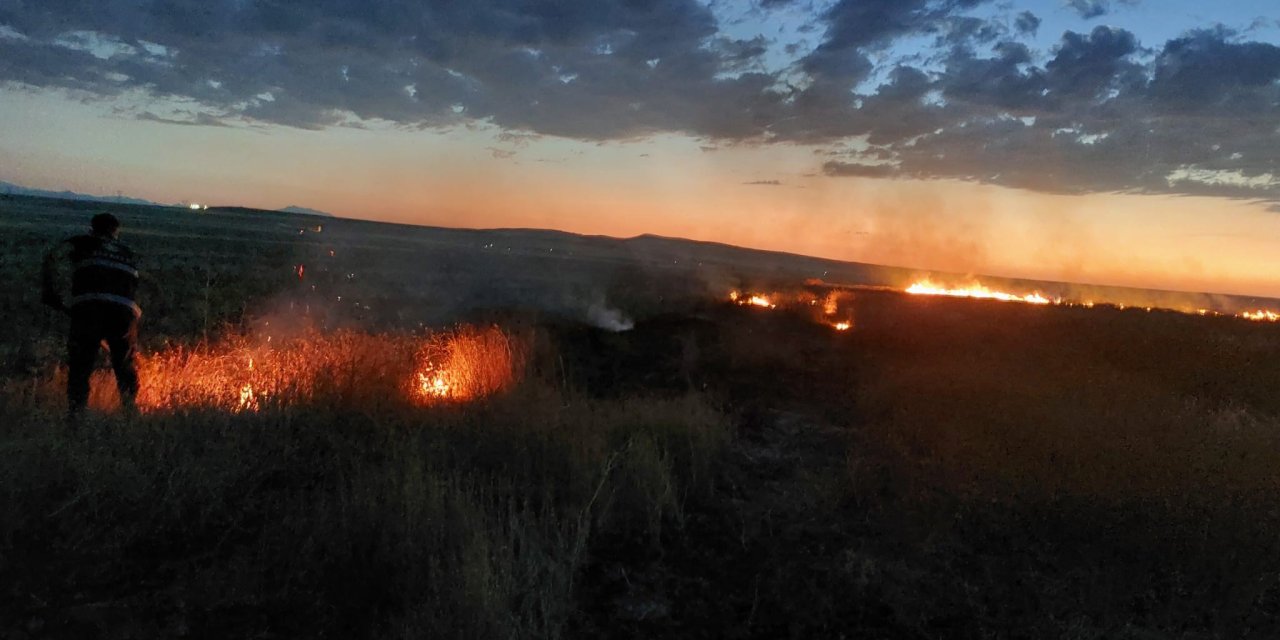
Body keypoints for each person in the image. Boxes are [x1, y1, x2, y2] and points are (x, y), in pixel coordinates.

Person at [41, 212, 142, 420]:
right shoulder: (127, 251)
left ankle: (76, 416)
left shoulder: (81, 243)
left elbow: (52, 256)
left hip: (88, 310)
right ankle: (131, 412)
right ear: (116, 232)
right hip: (123, 313)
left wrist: (50, 292)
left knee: (81, 364)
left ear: (92, 228)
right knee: (124, 365)